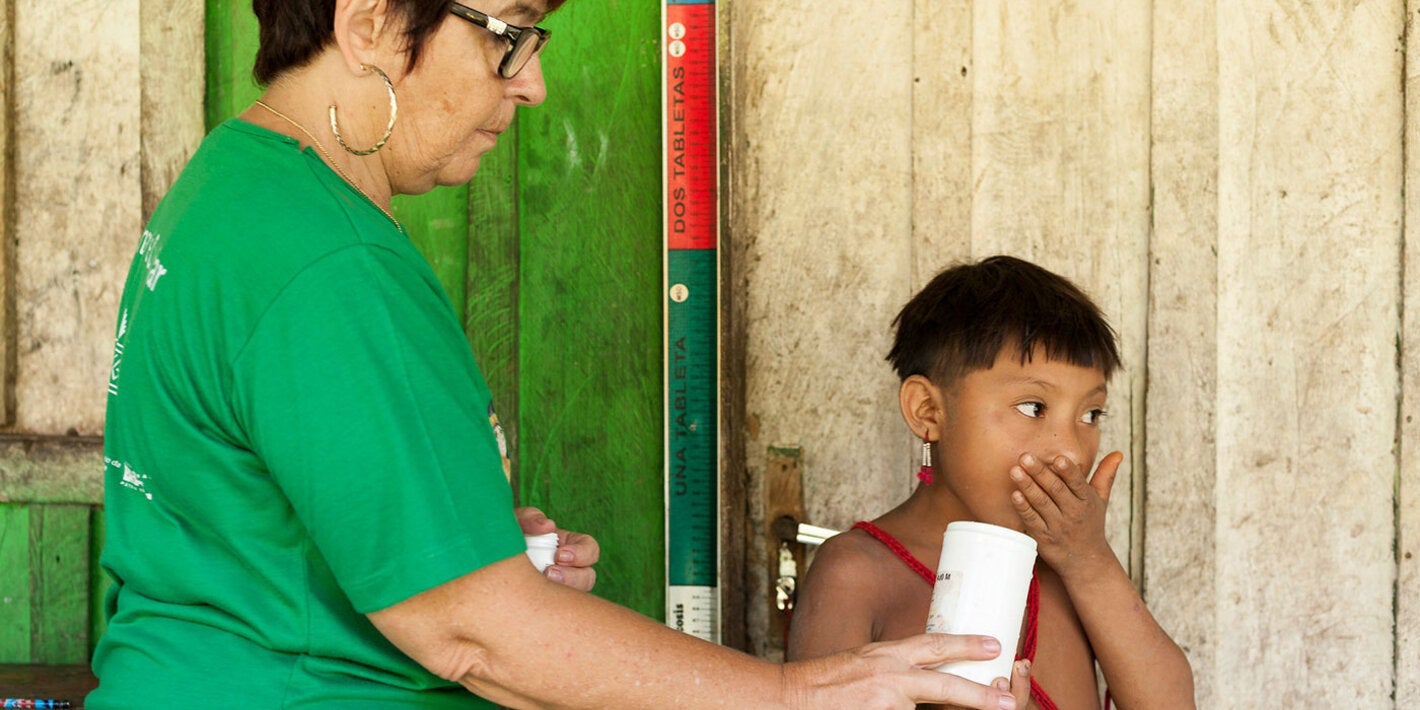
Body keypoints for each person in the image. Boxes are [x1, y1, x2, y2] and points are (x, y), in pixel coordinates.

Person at [87, 1, 1027, 707]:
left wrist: (475, 541)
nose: (529, 79)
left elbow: (272, 523)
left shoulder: (233, 187)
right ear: (370, 21)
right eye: (508, 34)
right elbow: (471, 631)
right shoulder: (329, 261)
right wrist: (799, 693)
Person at [786, 256, 1195, 709]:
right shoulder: (856, 573)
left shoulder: (1070, 569)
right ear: (928, 410)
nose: (1072, 452)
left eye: (1090, 414)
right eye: (1033, 407)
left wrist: (1090, 562)